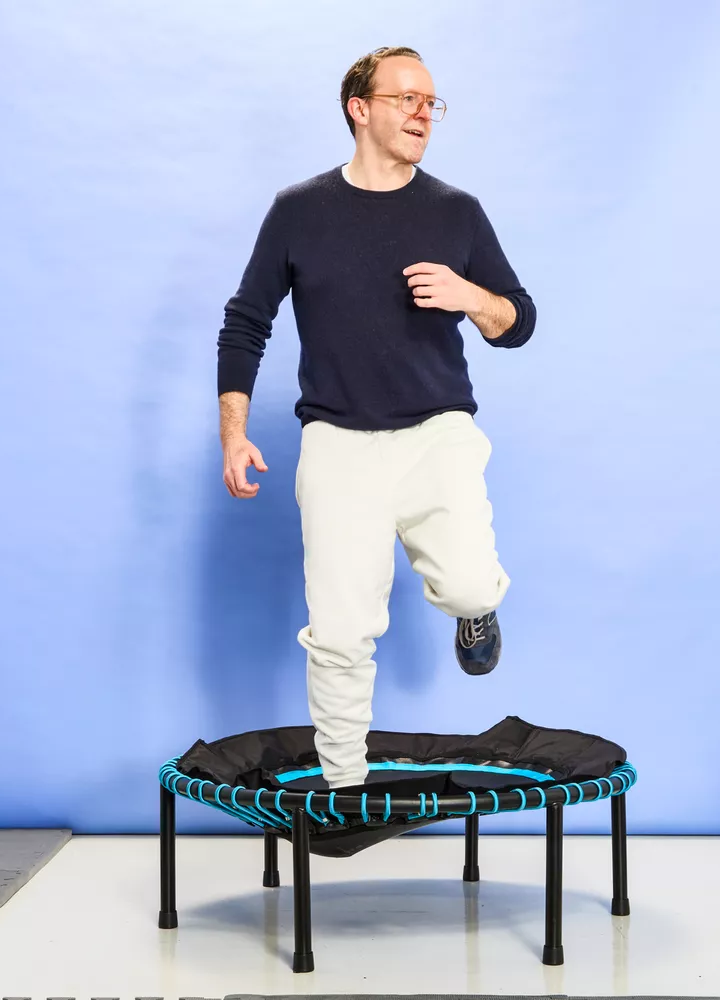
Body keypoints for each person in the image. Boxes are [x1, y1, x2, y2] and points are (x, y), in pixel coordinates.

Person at [215, 46, 536, 790]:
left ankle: (476, 613)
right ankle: (343, 788)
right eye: (408, 99)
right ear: (360, 108)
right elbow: (245, 322)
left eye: (433, 102)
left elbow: (517, 321)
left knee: (467, 585)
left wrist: (471, 296)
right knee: (338, 631)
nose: (425, 113)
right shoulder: (299, 211)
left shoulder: (456, 213)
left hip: (437, 435)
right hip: (337, 444)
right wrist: (234, 433)